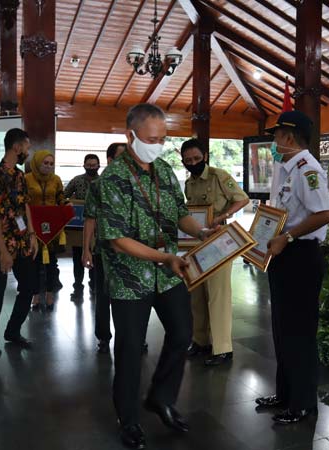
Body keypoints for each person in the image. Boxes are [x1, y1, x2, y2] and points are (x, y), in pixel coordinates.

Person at [86, 103, 213, 449]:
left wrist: (201, 233)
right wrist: (165, 257)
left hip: (168, 274)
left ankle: (160, 397)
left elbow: (181, 214)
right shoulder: (112, 179)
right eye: (152, 138)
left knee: (183, 333)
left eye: (163, 139)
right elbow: (117, 238)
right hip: (131, 278)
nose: (158, 145)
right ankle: (127, 419)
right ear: (131, 136)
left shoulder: (166, 171)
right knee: (128, 349)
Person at [255, 110, 329, 424]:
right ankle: (285, 394)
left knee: (299, 332)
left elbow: (324, 213)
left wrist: (286, 236)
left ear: (288, 137)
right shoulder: (286, 168)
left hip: (301, 256)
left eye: (276, 136)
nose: (274, 141)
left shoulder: (307, 168)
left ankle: (302, 403)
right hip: (284, 255)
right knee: (282, 329)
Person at [181, 138, 250, 366]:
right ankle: (200, 341)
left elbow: (241, 199)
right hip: (197, 242)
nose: (193, 163)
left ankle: (222, 348)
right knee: (196, 293)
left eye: (197, 159)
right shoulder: (188, 183)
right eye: (188, 160)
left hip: (220, 241)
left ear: (205, 156)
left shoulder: (219, 176)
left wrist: (221, 217)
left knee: (218, 295)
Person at [0, 128, 40, 362]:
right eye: (26, 146)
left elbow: (25, 207)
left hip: (23, 240)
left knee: (29, 285)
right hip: (2, 244)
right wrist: (3, 251)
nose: (28, 151)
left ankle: (13, 331)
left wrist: (32, 235)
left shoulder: (19, 176)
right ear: (16, 147)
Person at [82, 142, 145, 355]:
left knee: (134, 295)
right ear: (109, 160)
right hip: (104, 251)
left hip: (134, 251)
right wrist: (86, 250)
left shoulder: (137, 184)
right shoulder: (98, 185)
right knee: (104, 296)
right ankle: (103, 337)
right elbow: (89, 219)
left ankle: (135, 337)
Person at [24, 150, 67, 312]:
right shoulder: (26, 179)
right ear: (37, 163)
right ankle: (35, 295)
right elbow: (23, 201)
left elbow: (60, 198)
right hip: (32, 226)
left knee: (51, 264)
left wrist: (66, 205)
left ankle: (50, 294)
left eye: (51, 164)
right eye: (45, 163)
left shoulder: (56, 180)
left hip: (52, 227)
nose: (48, 166)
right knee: (33, 263)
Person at [65, 153, 101, 297]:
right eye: (89, 165)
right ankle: (77, 287)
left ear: (99, 166)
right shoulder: (77, 180)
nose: (91, 168)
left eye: (94, 165)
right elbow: (63, 195)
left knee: (96, 258)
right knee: (77, 258)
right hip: (78, 227)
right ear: (84, 165)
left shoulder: (103, 181)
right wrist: (69, 203)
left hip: (98, 228)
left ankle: (94, 285)